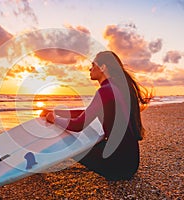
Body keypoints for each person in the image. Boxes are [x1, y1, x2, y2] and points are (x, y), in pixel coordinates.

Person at [45, 51, 152, 180]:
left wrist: (54, 119)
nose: (90, 68)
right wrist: (57, 112)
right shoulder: (120, 88)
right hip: (131, 164)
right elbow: (88, 112)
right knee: (89, 142)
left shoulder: (105, 91)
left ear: (103, 67)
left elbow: (79, 125)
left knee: (70, 141)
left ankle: (40, 163)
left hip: (117, 167)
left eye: (93, 65)